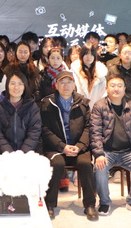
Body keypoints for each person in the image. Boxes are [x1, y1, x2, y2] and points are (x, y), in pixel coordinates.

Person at [40, 71, 96, 220]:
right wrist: (62, 146)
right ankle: (49, 204)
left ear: (74, 85)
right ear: (56, 85)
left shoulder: (83, 103)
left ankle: (90, 205)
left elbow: (88, 127)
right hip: (56, 148)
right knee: (56, 164)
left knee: (85, 164)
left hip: (78, 147)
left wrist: (80, 146)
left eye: (69, 82)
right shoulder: (47, 103)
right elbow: (44, 129)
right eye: (62, 82)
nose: (66, 86)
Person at [91, 74, 131, 216]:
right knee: (100, 167)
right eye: (112, 85)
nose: (116, 89)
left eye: (119, 86)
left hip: (128, 151)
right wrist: (99, 154)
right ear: (106, 88)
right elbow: (95, 132)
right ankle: (104, 202)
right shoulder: (99, 106)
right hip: (107, 151)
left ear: (124, 89)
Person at [0, 71, 41, 160]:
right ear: (7, 86)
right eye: (13, 83)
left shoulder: (32, 107)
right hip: (5, 155)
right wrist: (9, 154)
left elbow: (34, 132)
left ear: (25, 86)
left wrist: (22, 154)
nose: (16, 87)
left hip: (27, 155)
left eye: (20, 84)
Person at [107, 43, 131, 112]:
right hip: (117, 106)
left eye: (130, 53)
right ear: (119, 55)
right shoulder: (113, 70)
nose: (127, 55)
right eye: (124, 53)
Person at [70, 44, 107, 109]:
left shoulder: (101, 72)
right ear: (82, 55)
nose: (89, 57)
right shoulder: (74, 71)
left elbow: (103, 93)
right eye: (86, 54)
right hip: (78, 106)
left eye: (91, 54)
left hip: (96, 108)